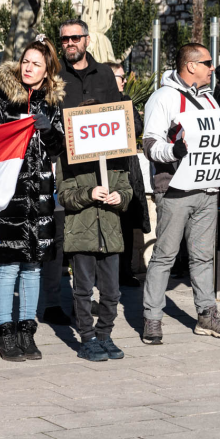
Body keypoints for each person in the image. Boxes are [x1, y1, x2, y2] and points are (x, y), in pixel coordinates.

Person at [141, 43, 220, 345]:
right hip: (174, 188)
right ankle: (152, 318)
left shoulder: (209, 100)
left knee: (202, 256)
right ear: (191, 65)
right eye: (208, 62)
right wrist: (173, 150)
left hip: (207, 187)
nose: (212, 68)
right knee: (164, 256)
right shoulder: (163, 98)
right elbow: (149, 144)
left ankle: (207, 315)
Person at [40, 19, 126, 327]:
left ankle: (92, 303)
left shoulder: (104, 73)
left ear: (87, 40)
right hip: (63, 166)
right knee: (59, 236)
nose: (70, 43)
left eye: (75, 38)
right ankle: (51, 302)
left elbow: (117, 115)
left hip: (99, 171)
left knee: (91, 238)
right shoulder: (53, 76)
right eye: (64, 40)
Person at [0, 37, 65, 362]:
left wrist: (48, 130)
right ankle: (4, 334)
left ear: (47, 72)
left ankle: (26, 332)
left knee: (33, 267)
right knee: (8, 268)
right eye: (26, 61)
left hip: (41, 199)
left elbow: (59, 147)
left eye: (36, 64)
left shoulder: (52, 102)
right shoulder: (2, 98)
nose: (29, 68)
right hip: (10, 198)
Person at [58, 119, 133, 362]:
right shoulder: (68, 158)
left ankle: (104, 335)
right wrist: (88, 194)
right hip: (81, 234)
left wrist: (119, 197)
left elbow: (127, 190)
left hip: (110, 234)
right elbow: (65, 196)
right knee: (83, 290)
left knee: (112, 292)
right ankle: (87, 338)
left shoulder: (116, 158)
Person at [108, 62, 150, 286]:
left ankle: (125, 271)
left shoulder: (125, 102)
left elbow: (137, 127)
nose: (124, 81)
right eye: (119, 76)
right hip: (105, 171)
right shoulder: (96, 102)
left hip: (126, 168)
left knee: (126, 223)